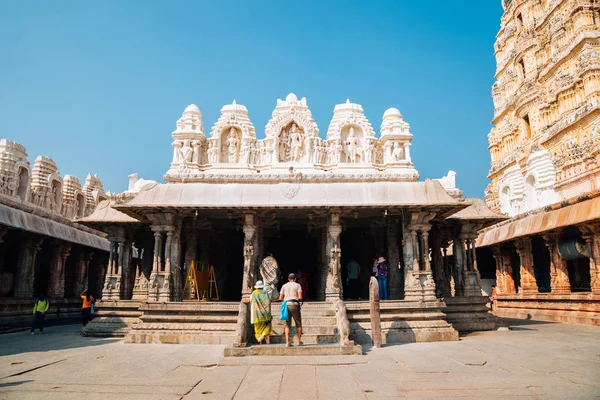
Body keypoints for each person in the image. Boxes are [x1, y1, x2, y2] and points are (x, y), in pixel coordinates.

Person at [279, 273, 303, 347]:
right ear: (295, 279)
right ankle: (299, 341)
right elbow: (300, 297)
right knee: (298, 323)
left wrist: (286, 299)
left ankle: (287, 342)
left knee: (287, 324)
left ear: (288, 279)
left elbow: (280, 298)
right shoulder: (297, 285)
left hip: (286, 304)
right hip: (295, 304)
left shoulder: (284, 286)